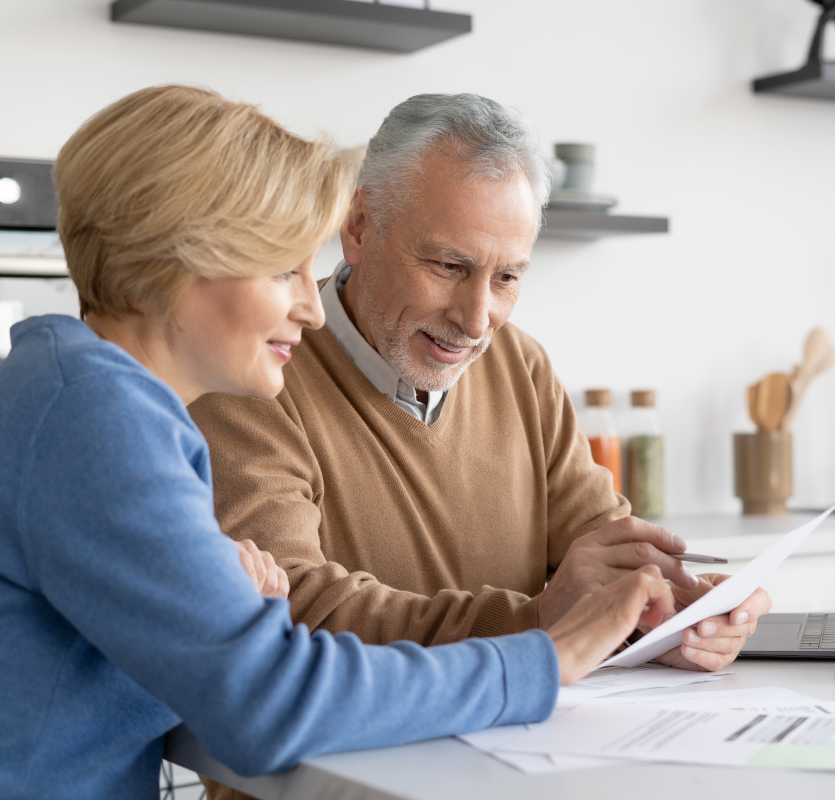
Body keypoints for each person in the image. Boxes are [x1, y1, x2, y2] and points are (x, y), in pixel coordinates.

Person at [0, 85, 680, 800]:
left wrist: (240, 607)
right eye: (282, 267)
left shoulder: (74, 391)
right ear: (183, 262)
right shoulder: (95, 416)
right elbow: (269, 701)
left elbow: (225, 662)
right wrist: (544, 657)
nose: (310, 304)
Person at [190, 94, 770, 670]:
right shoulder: (252, 372)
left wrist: (676, 613)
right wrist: (539, 625)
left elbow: (603, 546)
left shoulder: (522, 365)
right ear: (360, 227)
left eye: (508, 277)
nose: (475, 319)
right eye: (448, 267)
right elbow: (296, 607)